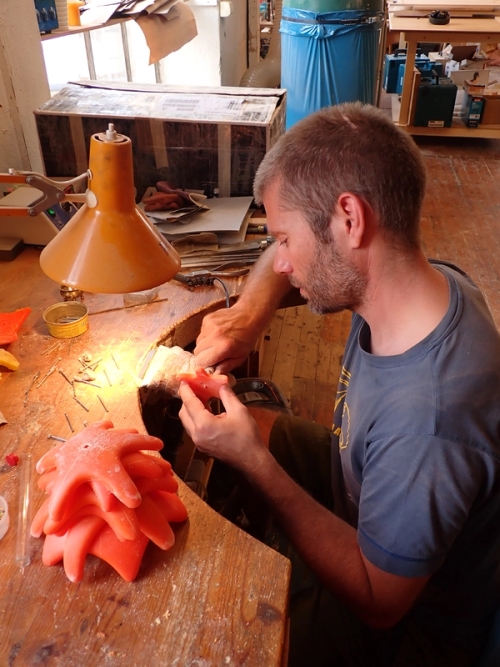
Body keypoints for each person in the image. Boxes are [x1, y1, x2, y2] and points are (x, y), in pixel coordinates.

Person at [177, 102, 500, 666]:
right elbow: (281, 263)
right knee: (239, 425)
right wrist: (250, 315)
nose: (280, 262)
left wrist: (257, 465)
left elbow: (379, 603)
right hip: (361, 477)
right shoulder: (423, 282)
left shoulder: (430, 420)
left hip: (405, 632)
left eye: (284, 239)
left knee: (213, 628)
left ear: (350, 219)